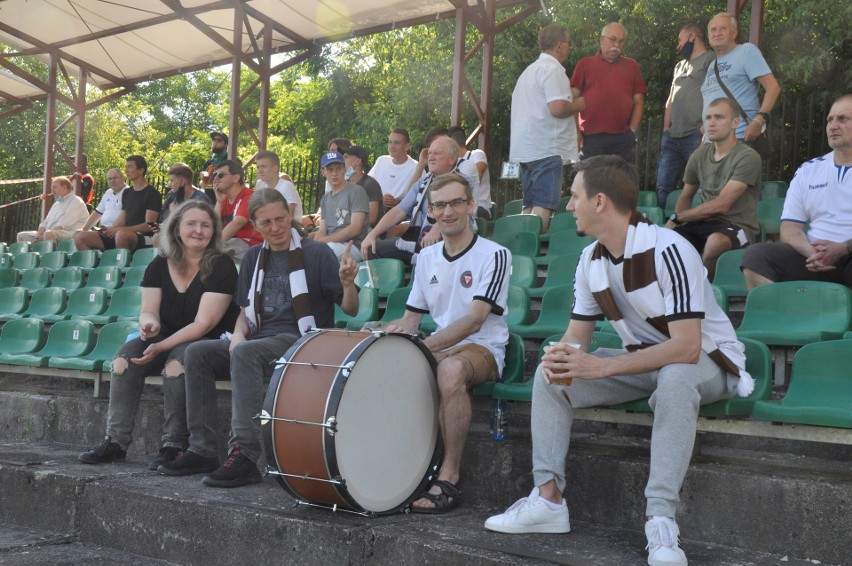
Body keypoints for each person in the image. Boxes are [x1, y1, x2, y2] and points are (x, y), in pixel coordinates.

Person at [483, 155, 753, 566]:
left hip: (711, 362)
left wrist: (602, 366)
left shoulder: (670, 249)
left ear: (600, 201)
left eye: (574, 196)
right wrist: (565, 356)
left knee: (677, 377)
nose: (569, 205)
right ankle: (548, 499)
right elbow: (578, 337)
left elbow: (687, 347)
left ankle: (660, 521)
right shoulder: (590, 260)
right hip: (646, 365)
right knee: (552, 373)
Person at [158, 188, 359, 487]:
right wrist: (238, 334)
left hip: (303, 341)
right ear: (254, 224)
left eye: (280, 219)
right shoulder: (253, 257)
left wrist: (348, 284)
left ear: (289, 217)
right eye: (266, 223)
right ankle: (202, 450)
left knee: (245, 353)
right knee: (196, 352)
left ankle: (245, 455)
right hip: (260, 338)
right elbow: (245, 311)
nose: (275, 228)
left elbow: (350, 309)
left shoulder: (316, 253)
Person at [78, 200, 240, 469]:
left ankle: (174, 445)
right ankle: (115, 441)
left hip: (206, 341)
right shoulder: (160, 264)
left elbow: (202, 324)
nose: (198, 230)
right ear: (176, 229)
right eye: (191, 224)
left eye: (205, 225)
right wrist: (148, 324)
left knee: (177, 361)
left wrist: (161, 345)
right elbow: (149, 310)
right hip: (166, 336)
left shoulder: (221, 265)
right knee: (124, 359)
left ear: (214, 231)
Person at [382, 172, 509, 513]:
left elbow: (476, 319)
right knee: (384, 364)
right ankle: (400, 470)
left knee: (451, 370)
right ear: (432, 212)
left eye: (455, 202)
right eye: (439, 205)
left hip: (483, 347)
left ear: (471, 205)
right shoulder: (426, 258)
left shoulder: (495, 254)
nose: (448, 211)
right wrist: (380, 337)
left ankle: (449, 476)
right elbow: (410, 319)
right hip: (440, 346)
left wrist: (426, 347)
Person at [742, 93, 852, 290]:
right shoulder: (809, 170)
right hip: (813, 259)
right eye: (830, 120)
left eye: (842, 119)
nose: (833, 126)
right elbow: (790, 228)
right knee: (756, 257)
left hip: (849, 255)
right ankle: (780, 320)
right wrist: (812, 253)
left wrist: (843, 248)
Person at [664, 97, 761, 280]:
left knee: (715, 243)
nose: (712, 123)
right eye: (708, 118)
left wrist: (678, 217)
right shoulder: (699, 155)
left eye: (719, 117)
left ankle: (704, 291)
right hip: (703, 223)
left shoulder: (748, 157)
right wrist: (675, 225)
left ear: (735, 122)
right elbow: (686, 196)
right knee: (667, 242)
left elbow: (722, 205)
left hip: (739, 227)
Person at [510, 24, 584, 232]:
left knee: (529, 204)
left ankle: (523, 245)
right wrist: (578, 104)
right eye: (568, 43)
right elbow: (558, 108)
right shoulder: (553, 70)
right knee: (543, 204)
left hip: (526, 150)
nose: (569, 47)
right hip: (546, 148)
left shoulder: (528, 72)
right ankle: (534, 249)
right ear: (560, 45)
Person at [360, 136, 460, 264]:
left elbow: (463, 214)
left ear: (452, 159)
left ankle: (415, 277)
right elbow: (399, 210)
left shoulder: (460, 183)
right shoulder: (424, 181)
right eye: (429, 153)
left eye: (437, 153)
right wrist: (372, 234)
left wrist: (437, 229)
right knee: (370, 249)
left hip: (448, 243)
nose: (431, 157)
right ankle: (393, 282)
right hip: (418, 241)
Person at [656, 23, 715, 209]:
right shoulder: (679, 66)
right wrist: (666, 129)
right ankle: (664, 229)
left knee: (699, 185)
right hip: (672, 137)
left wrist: (705, 128)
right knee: (663, 185)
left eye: (680, 40)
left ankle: (694, 227)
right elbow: (670, 99)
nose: (678, 45)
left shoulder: (710, 59)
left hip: (695, 135)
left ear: (692, 37)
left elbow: (716, 93)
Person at [701, 13, 780, 146]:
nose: (717, 33)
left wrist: (758, 121)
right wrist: (704, 140)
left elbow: (773, 88)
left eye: (723, 28)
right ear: (708, 36)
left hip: (739, 138)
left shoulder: (746, 51)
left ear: (734, 33)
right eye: (713, 30)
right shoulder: (711, 66)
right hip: (712, 143)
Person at [571, 22, 647, 162]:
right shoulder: (584, 64)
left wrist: (632, 131)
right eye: (613, 39)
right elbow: (573, 100)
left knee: (620, 181)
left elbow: (639, 101)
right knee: (591, 181)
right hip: (590, 137)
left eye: (621, 41)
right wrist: (576, 132)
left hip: (622, 137)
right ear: (602, 39)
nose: (616, 45)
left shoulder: (632, 66)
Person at [74, 155, 162, 252]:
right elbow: (122, 220)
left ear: (141, 170)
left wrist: (120, 230)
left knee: (121, 234)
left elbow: (148, 226)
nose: (126, 170)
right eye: (126, 167)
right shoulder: (127, 192)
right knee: (80, 236)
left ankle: (123, 265)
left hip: (143, 237)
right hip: (122, 233)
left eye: (130, 167)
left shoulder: (152, 193)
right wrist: (110, 230)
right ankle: (97, 264)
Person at [312, 151, 370, 262]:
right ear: (323, 172)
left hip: (353, 246)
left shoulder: (356, 191)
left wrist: (324, 242)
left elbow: (355, 229)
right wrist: (314, 245)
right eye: (330, 169)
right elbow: (322, 230)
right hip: (330, 246)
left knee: (325, 252)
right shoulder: (325, 199)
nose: (334, 173)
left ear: (344, 169)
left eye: (338, 169)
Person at [212, 159, 263, 263]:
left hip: (251, 245)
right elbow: (213, 225)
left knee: (212, 251)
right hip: (230, 243)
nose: (216, 178)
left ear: (235, 178)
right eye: (215, 175)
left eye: (221, 175)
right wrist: (219, 202)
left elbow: (237, 223)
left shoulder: (248, 196)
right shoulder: (223, 199)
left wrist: (213, 244)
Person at [152, 163, 212, 247]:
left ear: (181, 183)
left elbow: (199, 226)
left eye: (172, 181)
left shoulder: (200, 199)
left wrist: (176, 212)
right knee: (157, 237)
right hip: (178, 236)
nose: (170, 184)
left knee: (157, 238)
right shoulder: (175, 197)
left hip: (194, 238)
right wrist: (161, 227)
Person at [16, 176, 88, 243]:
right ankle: (32, 256)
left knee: (48, 234)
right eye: (52, 188)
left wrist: (43, 236)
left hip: (71, 236)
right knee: (21, 236)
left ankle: (49, 256)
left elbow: (62, 226)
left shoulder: (76, 201)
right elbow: (45, 223)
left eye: (54, 188)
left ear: (64, 188)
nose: (52, 191)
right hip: (48, 233)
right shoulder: (56, 204)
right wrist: (39, 235)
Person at [448, 126, 492, 220]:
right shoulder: (451, 164)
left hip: (480, 207)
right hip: (460, 206)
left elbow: (475, 179)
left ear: (451, 145)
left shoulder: (476, 154)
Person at [368, 128, 419, 209]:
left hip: (403, 213)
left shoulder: (417, 167)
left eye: (397, 143)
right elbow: (368, 186)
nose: (392, 146)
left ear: (407, 147)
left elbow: (419, 196)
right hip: (378, 209)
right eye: (390, 142)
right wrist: (380, 199)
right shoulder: (381, 160)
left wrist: (401, 202)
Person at [254, 150, 303, 220]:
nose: (259, 171)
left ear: (275, 168)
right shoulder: (260, 184)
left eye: (263, 166)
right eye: (258, 167)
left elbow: (289, 217)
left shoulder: (287, 186)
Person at [78, 168, 128, 234]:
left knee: (81, 237)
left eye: (115, 178)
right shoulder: (108, 192)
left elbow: (126, 217)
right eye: (109, 179)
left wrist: (111, 229)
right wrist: (83, 229)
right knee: (79, 235)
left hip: (119, 231)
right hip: (104, 230)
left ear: (123, 178)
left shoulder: (129, 192)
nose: (112, 181)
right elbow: (97, 213)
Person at [343, 145, 384, 227]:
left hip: (367, 234)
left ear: (357, 161)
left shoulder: (370, 184)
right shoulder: (346, 184)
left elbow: (371, 219)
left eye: (346, 157)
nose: (341, 160)